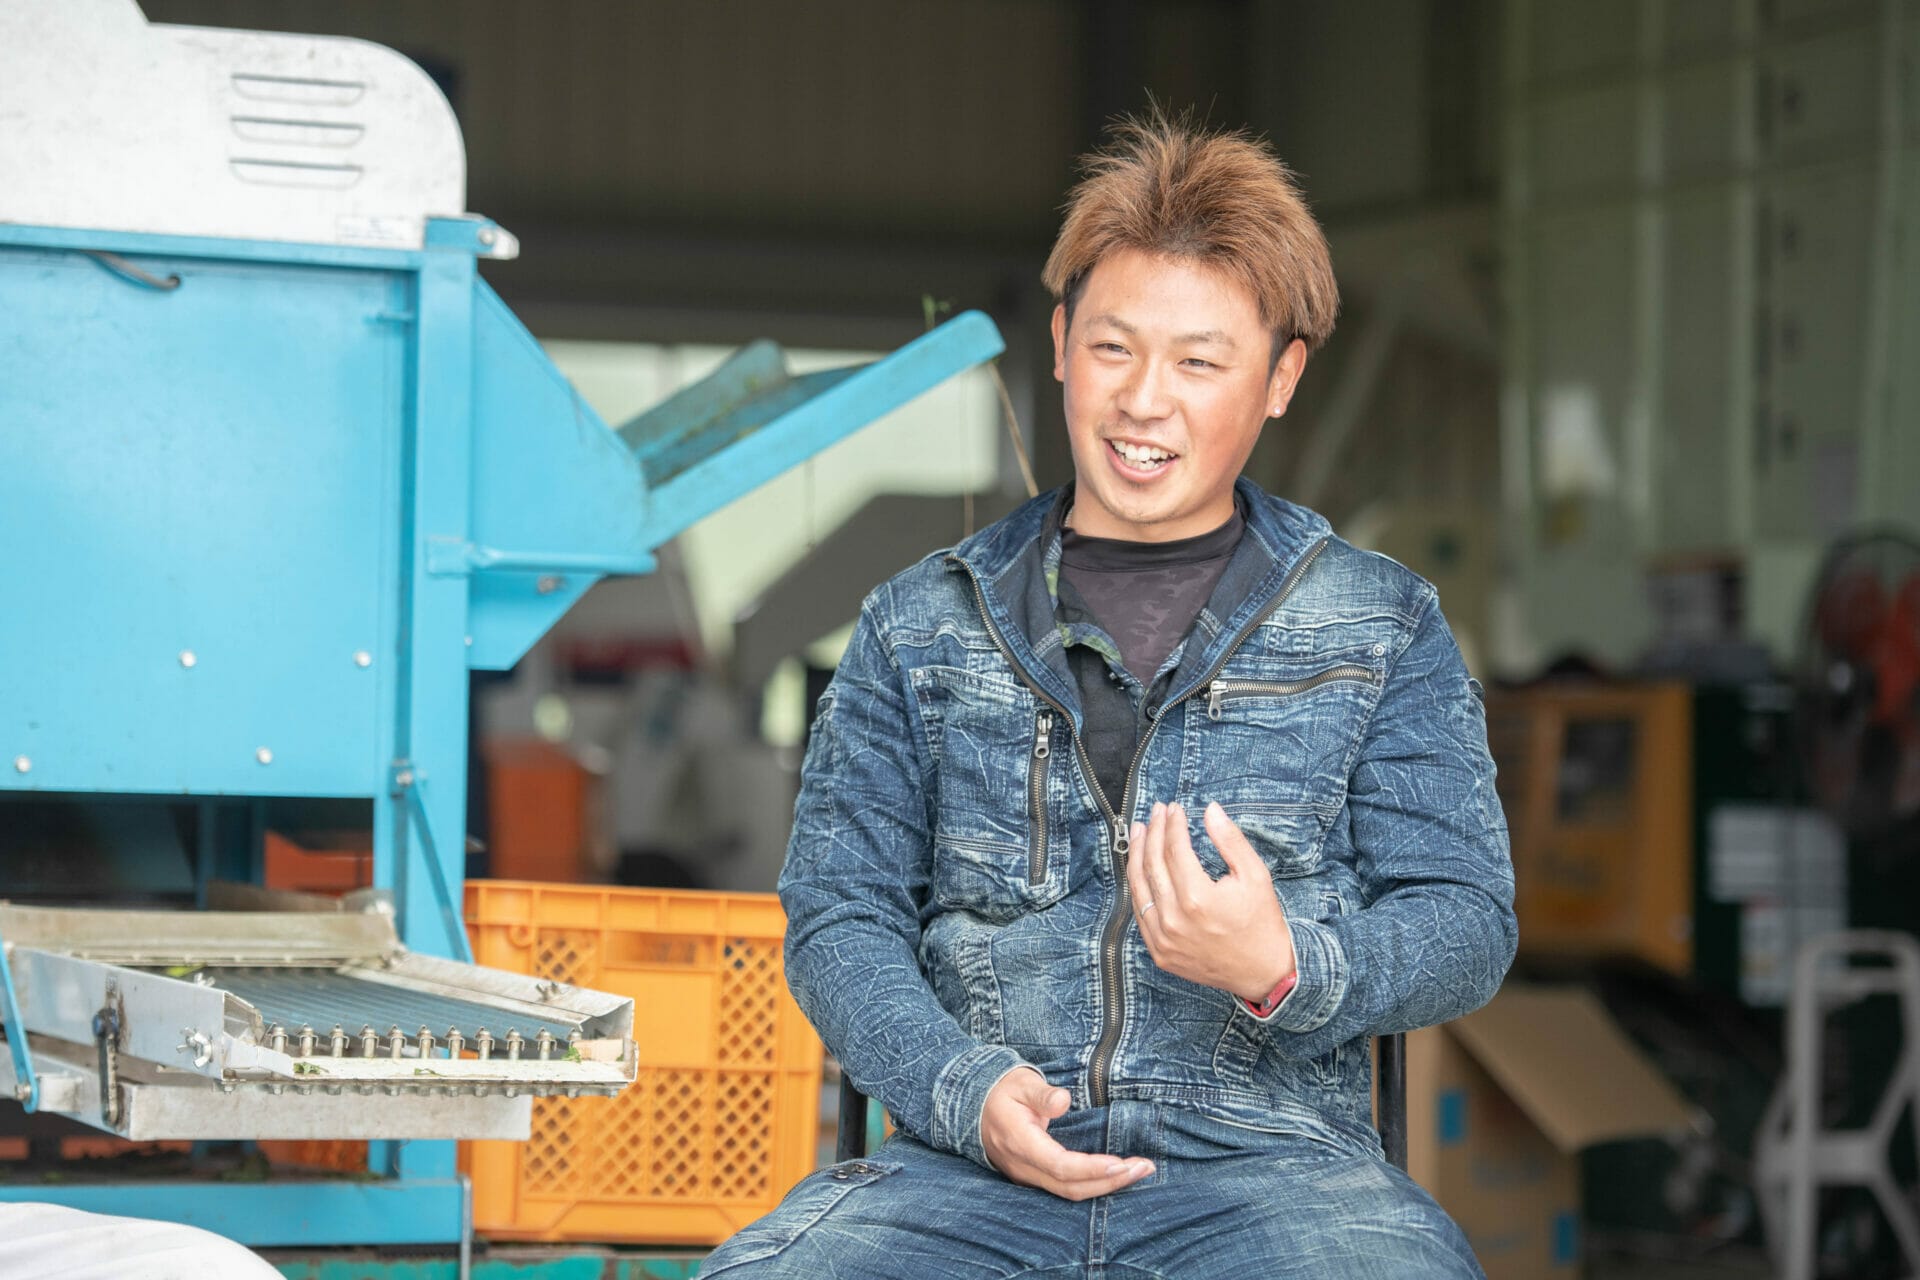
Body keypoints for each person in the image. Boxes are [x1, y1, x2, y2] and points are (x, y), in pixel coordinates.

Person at [701, 113, 1516, 1278]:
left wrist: (1286, 963)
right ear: (1060, 343)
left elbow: (1466, 919)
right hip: (965, 1175)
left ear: (1281, 377)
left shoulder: (1382, 624)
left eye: (1199, 363)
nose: (1144, 400)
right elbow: (840, 913)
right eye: (1114, 348)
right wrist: (962, 1086)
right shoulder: (918, 623)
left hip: (1279, 1178)